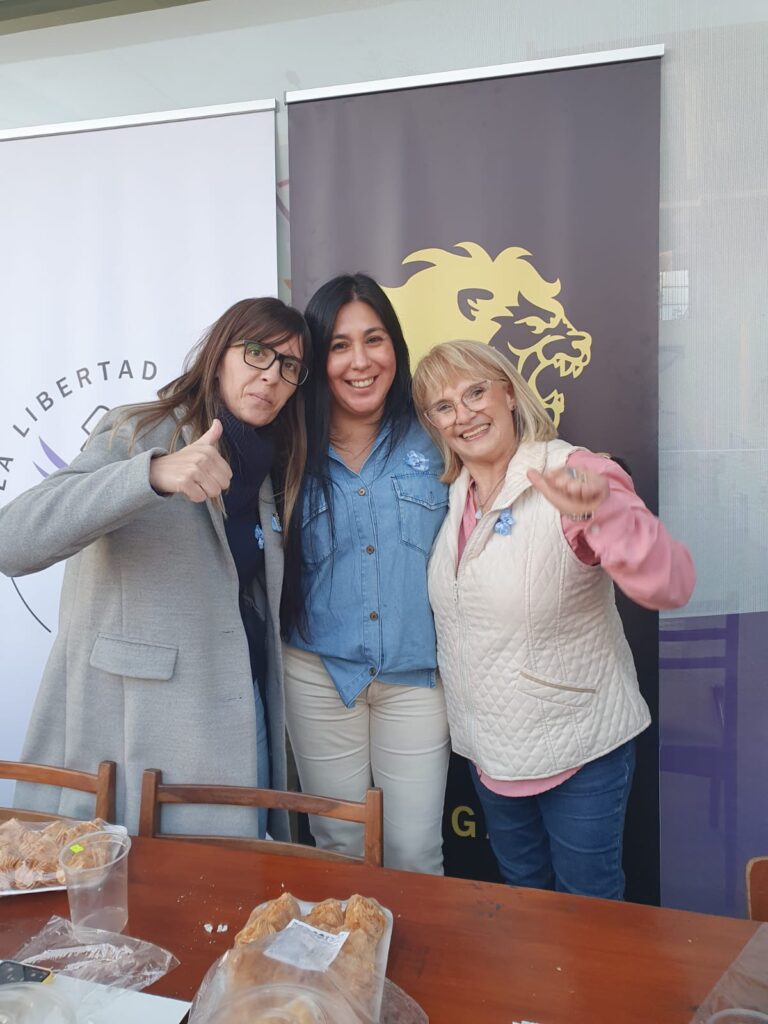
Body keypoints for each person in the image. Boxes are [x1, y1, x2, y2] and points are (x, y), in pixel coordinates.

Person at [0, 298, 311, 839]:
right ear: (219, 355)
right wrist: (151, 476)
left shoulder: (269, 464)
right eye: (257, 352)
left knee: (227, 881)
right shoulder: (136, 431)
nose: (271, 376)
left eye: (289, 366)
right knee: (131, 884)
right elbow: (13, 541)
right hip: (140, 725)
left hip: (241, 712)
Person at [412, 339, 695, 898]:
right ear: (433, 424)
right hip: (493, 756)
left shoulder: (574, 471)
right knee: (523, 902)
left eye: (475, 393)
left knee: (588, 911)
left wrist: (605, 514)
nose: (463, 415)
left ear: (509, 394)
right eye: (444, 406)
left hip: (580, 755)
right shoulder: (455, 494)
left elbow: (668, 581)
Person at [281, 274, 450, 873]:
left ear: (395, 348)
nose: (360, 361)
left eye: (374, 340)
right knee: (338, 849)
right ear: (317, 360)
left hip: (415, 677)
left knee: (415, 853)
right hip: (317, 674)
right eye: (339, 345)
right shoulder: (287, 446)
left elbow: (513, 463)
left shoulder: (438, 434)